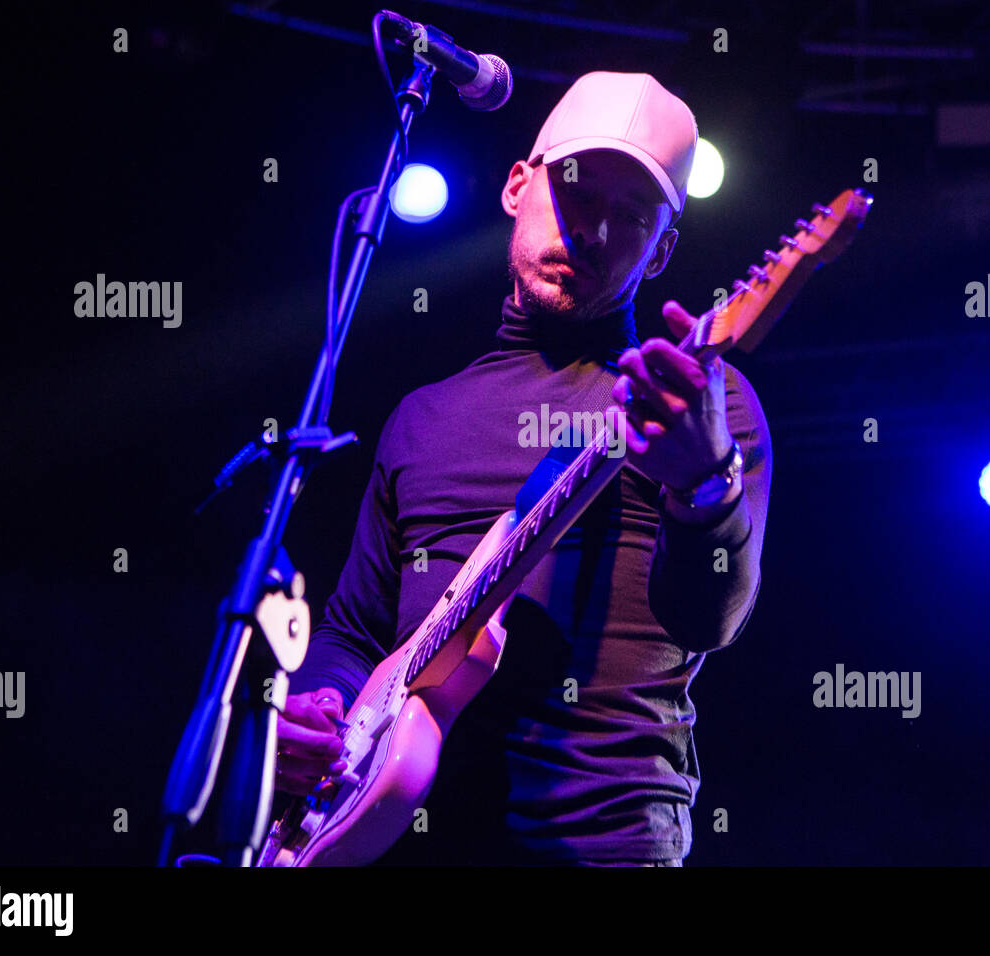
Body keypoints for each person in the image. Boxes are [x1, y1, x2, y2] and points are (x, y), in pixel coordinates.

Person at [276, 71, 771, 866]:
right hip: (389, 842)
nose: (595, 230)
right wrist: (322, 703)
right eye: (577, 190)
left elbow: (711, 622)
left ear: (662, 250)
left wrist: (704, 487)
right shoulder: (421, 417)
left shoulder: (694, 401)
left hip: (599, 847)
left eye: (631, 215)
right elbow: (353, 628)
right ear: (518, 186)